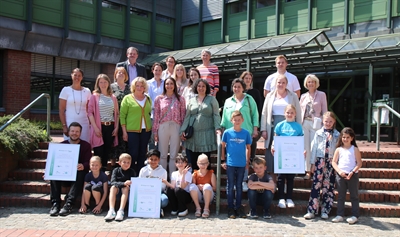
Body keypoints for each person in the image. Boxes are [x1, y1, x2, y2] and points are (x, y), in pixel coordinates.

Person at [260, 74, 302, 183]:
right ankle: (273, 184)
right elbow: (264, 113)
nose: (281, 84)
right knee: (272, 154)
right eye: (279, 82)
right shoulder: (270, 96)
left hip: (289, 128)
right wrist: (263, 129)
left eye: (283, 82)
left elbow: (298, 112)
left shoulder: (292, 96)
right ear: (275, 84)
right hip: (272, 127)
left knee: (286, 154)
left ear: (287, 84)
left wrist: (298, 130)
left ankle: (285, 187)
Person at [221, 78, 259, 192]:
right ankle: (232, 181)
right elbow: (224, 117)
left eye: (239, 86)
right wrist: (222, 130)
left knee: (245, 157)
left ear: (243, 88)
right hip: (231, 134)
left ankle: (242, 181)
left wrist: (255, 129)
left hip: (245, 133)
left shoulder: (249, 99)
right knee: (232, 157)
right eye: (234, 86)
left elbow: (255, 115)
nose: (236, 89)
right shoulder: (228, 101)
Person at [49, 122, 92, 216]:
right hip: (63, 175)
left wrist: (83, 166)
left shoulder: (86, 145)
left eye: (77, 131)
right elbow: (54, 162)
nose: (74, 133)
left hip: (77, 176)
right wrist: (49, 171)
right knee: (53, 174)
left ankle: (69, 204)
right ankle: (56, 204)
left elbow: (88, 162)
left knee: (82, 173)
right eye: (72, 131)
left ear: (80, 133)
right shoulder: (61, 145)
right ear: (68, 132)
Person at [303, 111, 340, 220]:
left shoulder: (337, 135)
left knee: (328, 186)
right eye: (326, 121)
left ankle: (325, 209)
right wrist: (312, 163)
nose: (328, 123)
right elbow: (313, 148)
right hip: (320, 160)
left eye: (330, 121)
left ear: (334, 122)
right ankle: (312, 210)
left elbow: (339, 150)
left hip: (331, 161)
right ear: (322, 121)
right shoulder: (318, 133)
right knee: (316, 185)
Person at [180, 79, 221, 170]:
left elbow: (216, 115)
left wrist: (217, 128)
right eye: (199, 86)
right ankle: (194, 181)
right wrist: (182, 130)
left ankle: (206, 181)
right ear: (196, 87)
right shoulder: (191, 100)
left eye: (203, 86)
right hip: (193, 135)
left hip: (206, 135)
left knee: (205, 161)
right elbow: (187, 116)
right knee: (193, 160)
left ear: (206, 88)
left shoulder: (212, 99)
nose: (201, 88)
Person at [271, 104, 304, 209]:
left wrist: (302, 151)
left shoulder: (298, 127)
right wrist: (273, 147)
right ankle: (281, 198)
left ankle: (289, 198)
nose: (289, 114)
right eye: (288, 112)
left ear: (295, 114)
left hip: (293, 157)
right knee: (281, 177)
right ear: (284, 113)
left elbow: (301, 141)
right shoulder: (279, 125)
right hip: (282, 155)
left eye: (292, 113)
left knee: (290, 178)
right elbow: (275, 139)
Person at [221, 111, 252, 219]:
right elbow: (223, 146)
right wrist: (223, 160)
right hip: (230, 163)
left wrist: (248, 161)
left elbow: (248, 148)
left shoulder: (246, 133)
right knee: (230, 186)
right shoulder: (227, 133)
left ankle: (238, 207)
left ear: (242, 120)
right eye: (235, 120)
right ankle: (230, 208)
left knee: (239, 186)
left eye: (239, 120)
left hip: (242, 163)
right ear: (231, 121)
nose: (237, 122)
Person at [153, 77, 186, 177]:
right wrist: (155, 131)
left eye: (171, 84)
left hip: (176, 126)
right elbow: (156, 116)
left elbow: (183, 115)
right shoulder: (159, 99)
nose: (169, 86)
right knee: (162, 154)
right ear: (164, 85)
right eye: (167, 84)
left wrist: (183, 130)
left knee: (173, 155)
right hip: (163, 126)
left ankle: (172, 177)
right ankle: (162, 177)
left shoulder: (180, 99)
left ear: (174, 85)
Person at [120, 77, 152, 174]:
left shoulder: (148, 98)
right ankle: (132, 174)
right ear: (134, 86)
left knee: (142, 154)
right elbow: (122, 116)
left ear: (144, 87)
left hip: (145, 130)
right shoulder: (127, 98)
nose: (139, 88)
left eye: (141, 86)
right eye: (137, 85)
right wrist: (124, 132)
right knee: (133, 154)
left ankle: (140, 175)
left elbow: (149, 113)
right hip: (132, 131)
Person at [88, 74, 119, 171]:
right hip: (99, 127)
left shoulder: (113, 97)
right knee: (98, 151)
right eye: (101, 82)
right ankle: (96, 173)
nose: (103, 84)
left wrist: (116, 127)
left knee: (107, 151)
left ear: (108, 83)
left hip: (110, 127)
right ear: (98, 83)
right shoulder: (94, 96)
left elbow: (117, 113)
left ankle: (104, 173)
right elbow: (90, 113)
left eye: (105, 82)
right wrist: (95, 128)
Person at [332, 127, 362, 224]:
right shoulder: (338, 150)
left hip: (352, 175)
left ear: (352, 138)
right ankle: (340, 214)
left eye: (347, 137)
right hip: (341, 175)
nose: (345, 139)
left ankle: (355, 215)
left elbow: (359, 163)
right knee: (341, 196)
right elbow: (334, 162)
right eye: (343, 137)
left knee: (354, 196)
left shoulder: (355, 149)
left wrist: (352, 172)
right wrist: (339, 171)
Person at [300, 74, 328, 179]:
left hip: (316, 123)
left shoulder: (321, 95)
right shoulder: (303, 96)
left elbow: (325, 110)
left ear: (316, 83)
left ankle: (315, 169)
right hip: (305, 123)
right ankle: (307, 171)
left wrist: (325, 123)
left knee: (314, 147)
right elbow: (300, 110)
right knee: (305, 147)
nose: (310, 83)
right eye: (309, 82)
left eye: (312, 82)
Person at [59, 68, 91, 143]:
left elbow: (88, 110)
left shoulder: (87, 91)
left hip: (84, 123)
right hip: (70, 122)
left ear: (82, 77)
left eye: (79, 75)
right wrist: (64, 126)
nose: (77, 77)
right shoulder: (65, 90)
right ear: (71, 75)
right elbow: (61, 110)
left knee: (84, 145)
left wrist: (91, 124)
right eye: (75, 75)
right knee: (70, 146)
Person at [104, 153, 136, 222]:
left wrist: (128, 184)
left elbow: (134, 183)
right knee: (113, 187)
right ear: (119, 162)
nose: (126, 164)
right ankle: (111, 210)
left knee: (125, 188)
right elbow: (113, 182)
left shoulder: (132, 171)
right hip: (117, 190)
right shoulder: (116, 170)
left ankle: (121, 210)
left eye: (128, 162)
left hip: (127, 191)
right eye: (124, 162)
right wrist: (123, 183)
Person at [138, 149, 169, 217]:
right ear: (148, 159)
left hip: (158, 193)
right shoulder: (143, 170)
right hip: (144, 192)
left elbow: (163, 187)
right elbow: (139, 183)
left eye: (155, 159)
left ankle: (158, 209)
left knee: (164, 200)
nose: (153, 161)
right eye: (151, 159)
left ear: (159, 160)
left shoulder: (163, 171)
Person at [111, 67, 130, 167]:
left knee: (124, 142)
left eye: (123, 73)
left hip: (127, 120)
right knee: (115, 143)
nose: (121, 74)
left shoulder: (130, 88)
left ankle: (125, 166)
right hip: (114, 118)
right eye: (118, 72)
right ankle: (114, 167)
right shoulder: (111, 87)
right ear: (115, 75)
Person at [241, 71, 263, 161]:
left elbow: (259, 107)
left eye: (250, 78)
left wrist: (257, 123)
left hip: (251, 120)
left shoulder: (255, 92)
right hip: (241, 121)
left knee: (252, 141)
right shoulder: (238, 91)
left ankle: (252, 158)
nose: (248, 80)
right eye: (246, 78)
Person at [189, 154, 216, 218]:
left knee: (207, 186)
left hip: (209, 195)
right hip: (199, 196)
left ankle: (206, 208)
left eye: (205, 163)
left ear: (208, 163)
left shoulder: (211, 174)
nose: (203, 165)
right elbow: (194, 187)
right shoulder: (195, 174)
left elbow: (215, 188)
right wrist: (198, 186)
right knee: (192, 186)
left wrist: (205, 187)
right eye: (201, 163)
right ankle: (198, 207)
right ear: (197, 164)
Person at [147, 62, 165, 150]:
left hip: (163, 114)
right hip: (151, 113)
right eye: (156, 70)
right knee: (151, 136)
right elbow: (147, 97)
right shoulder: (148, 83)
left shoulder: (165, 83)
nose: (157, 72)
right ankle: (151, 155)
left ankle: (160, 156)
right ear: (152, 71)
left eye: (159, 70)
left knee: (161, 135)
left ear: (162, 71)